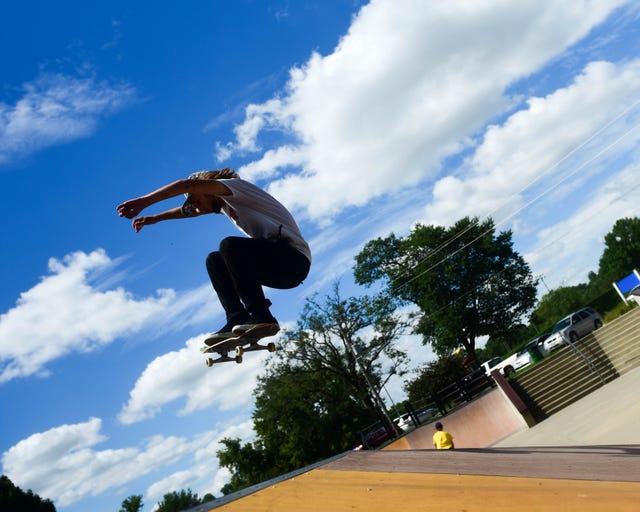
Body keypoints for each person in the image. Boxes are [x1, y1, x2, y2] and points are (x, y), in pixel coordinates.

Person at [116, 168, 311, 342]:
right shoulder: (227, 206)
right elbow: (192, 212)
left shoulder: (235, 188)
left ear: (207, 189)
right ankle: (237, 318)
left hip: (294, 259)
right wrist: (156, 218)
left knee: (229, 246)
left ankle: (261, 316)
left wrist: (144, 201)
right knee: (215, 260)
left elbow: (188, 184)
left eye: (196, 199)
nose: (197, 206)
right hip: (278, 269)